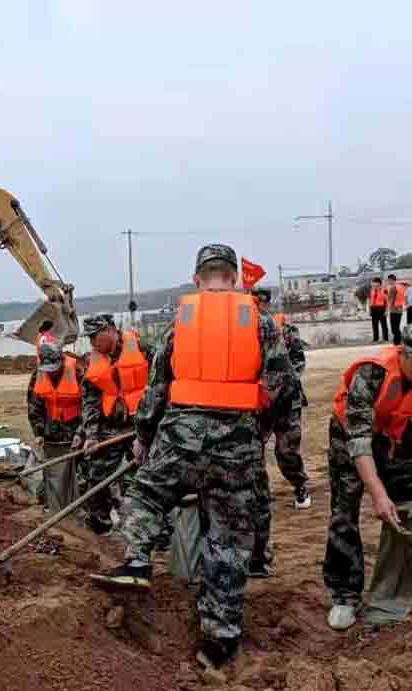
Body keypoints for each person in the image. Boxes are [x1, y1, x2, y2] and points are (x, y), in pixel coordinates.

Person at [91, 244, 297, 671]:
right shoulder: (259, 321)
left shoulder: (179, 323)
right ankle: (217, 642)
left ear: (198, 278)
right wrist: (256, 430)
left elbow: (156, 388)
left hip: (179, 437)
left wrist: (145, 436)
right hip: (236, 445)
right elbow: (282, 384)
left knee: (146, 494)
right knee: (228, 537)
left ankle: (136, 561)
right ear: (236, 278)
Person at [324, 322, 412, 631]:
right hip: (350, 440)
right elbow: (358, 442)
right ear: (405, 354)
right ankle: (345, 595)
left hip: (397, 437)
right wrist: (379, 494)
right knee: (344, 514)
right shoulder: (370, 375)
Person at [249, 287, 312, 580]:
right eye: (254, 302)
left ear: (267, 303)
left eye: (261, 302)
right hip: (258, 404)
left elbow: (297, 360)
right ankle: (258, 498)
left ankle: (300, 485)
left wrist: (282, 381)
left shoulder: (285, 328)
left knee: (286, 452)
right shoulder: (246, 329)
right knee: (252, 453)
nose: (257, 306)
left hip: (287, 401)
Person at [80, 314, 154, 534]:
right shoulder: (92, 361)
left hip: (141, 425)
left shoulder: (144, 349)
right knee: (97, 475)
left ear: (111, 330)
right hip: (110, 428)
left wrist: (148, 431)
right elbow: (90, 403)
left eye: (96, 336)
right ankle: (100, 525)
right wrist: (91, 435)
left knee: (147, 478)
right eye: (89, 338)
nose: (93, 342)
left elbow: (161, 387)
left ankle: (152, 531)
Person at [27, 342, 84, 512]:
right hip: (52, 431)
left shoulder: (78, 371)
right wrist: (38, 432)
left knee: (81, 469)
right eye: (48, 369)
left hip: (75, 427)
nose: (52, 372)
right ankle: (52, 505)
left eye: (55, 368)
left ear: (61, 359)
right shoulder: (38, 374)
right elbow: (34, 406)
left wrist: (81, 432)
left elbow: (89, 405)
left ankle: (81, 506)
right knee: (52, 470)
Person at [386, 274, 406, 345]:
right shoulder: (401, 287)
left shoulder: (393, 288)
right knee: (396, 327)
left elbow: (391, 300)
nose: (388, 282)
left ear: (391, 280)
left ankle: (397, 342)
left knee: (394, 329)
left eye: (388, 280)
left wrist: (387, 310)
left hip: (394, 310)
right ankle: (398, 341)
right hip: (400, 309)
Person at [368, 277, 389, 343]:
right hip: (373, 309)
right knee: (374, 325)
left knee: (384, 325)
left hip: (381, 308)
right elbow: (370, 301)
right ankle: (375, 339)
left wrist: (386, 311)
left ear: (380, 284)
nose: (374, 286)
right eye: (373, 285)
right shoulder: (371, 291)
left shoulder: (384, 290)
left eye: (376, 285)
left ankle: (385, 339)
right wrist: (369, 310)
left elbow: (387, 302)